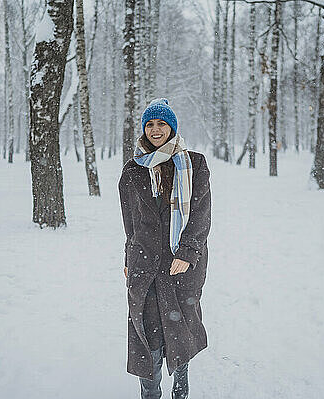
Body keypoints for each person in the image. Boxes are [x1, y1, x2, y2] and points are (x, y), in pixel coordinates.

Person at [118, 98, 211, 399]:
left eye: (161, 124)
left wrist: (188, 252)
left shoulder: (193, 164)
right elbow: (129, 222)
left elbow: (200, 213)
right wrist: (128, 257)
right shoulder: (132, 170)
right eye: (150, 124)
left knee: (180, 328)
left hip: (179, 264)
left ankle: (181, 390)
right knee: (147, 332)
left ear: (172, 127)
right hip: (143, 262)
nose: (156, 130)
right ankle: (150, 394)